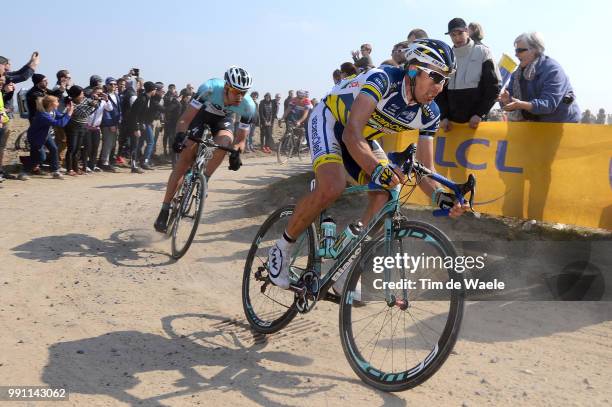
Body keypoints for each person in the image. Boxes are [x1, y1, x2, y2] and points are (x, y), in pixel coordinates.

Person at [266, 39, 468, 290]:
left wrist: (441, 197)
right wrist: (378, 169)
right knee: (333, 186)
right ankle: (281, 249)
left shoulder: (430, 113)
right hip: (331, 121)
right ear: (414, 69)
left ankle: (346, 267)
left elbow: (426, 170)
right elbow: (351, 134)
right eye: (436, 77)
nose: (440, 87)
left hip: (363, 138)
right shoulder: (382, 79)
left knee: (388, 192)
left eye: (445, 80)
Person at [153, 66, 255, 232]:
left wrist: (237, 153)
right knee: (184, 162)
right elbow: (185, 119)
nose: (240, 96)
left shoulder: (248, 106)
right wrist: (180, 135)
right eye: (237, 91)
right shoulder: (209, 89)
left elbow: (241, 139)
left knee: (225, 142)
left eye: (244, 92)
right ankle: (165, 209)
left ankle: (204, 179)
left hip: (223, 120)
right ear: (227, 88)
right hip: (200, 116)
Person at [499, 32, 580, 123]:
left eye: (520, 50)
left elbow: (548, 104)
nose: (516, 55)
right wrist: (506, 101)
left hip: (563, 124)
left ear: (535, 50)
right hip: (535, 125)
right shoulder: (516, 75)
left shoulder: (553, 70)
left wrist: (521, 105)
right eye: (515, 51)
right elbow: (511, 101)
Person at [437, 18, 500, 130]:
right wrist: (443, 116)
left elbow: (493, 87)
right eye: (453, 35)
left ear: (467, 31)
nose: (457, 38)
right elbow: (440, 90)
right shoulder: (446, 57)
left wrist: (480, 114)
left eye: (460, 33)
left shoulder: (483, 52)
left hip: (477, 123)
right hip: (450, 126)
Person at [26, 95, 73, 178]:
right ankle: (25, 170)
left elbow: (61, 117)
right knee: (41, 157)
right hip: (36, 137)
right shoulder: (43, 115)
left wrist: (67, 112)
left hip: (45, 135)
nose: (58, 103)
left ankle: (55, 171)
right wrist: (69, 114)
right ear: (51, 104)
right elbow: (60, 123)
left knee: (54, 149)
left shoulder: (53, 111)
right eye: (57, 101)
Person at [65, 85, 99, 176]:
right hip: (73, 126)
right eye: (81, 94)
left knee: (78, 148)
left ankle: (76, 168)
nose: (83, 95)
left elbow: (96, 106)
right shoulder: (71, 103)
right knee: (72, 147)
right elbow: (82, 114)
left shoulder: (85, 100)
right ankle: (69, 169)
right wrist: (91, 107)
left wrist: (94, 104)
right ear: (75, 95)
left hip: (83, 126)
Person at [99, 77, 122, 171]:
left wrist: (119, 120)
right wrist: (110, 124)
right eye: (111, 84)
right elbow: (105, 112)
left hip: (116, 122)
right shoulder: (105, 96)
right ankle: (104, 162)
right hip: (108, 124)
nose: (113, 86)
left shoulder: (116, 95)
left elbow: (118, 109)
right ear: (107, 85)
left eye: (115, 84)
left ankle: (107, 161)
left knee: (112, 143)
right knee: (107, 143)